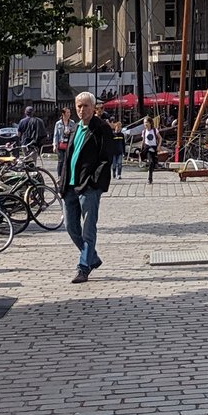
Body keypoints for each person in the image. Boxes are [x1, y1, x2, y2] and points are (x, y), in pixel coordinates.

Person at [58, 92, 116, 284]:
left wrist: (93, 182)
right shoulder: (75, 129)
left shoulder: (101, 128)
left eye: (85, 106)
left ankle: (83, 268)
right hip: (70, 186)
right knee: (70, 226)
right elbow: (68, 158)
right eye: (79, 106)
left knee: (88, 229)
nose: (81, 110)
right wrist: (62, 182)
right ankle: (92, 257)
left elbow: (106, 158)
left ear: (93, 108)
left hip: (88, 187)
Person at [142, 117, 160, 182]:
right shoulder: (144, 131)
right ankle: (150, 178)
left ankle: (150, 172)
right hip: (147, 148)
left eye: (146, 122)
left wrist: (159, 146)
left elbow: (160, 138)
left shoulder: (155, 130)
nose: (145, 124)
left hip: (154, 148)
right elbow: (143, 141)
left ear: (150, 123)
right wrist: (141, 149)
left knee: (154, 163)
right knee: (151, 162)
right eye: (144, 123)